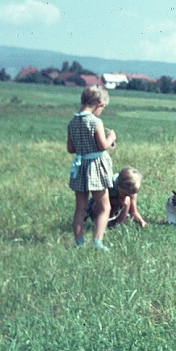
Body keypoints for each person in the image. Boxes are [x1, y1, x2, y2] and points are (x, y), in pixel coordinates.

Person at [67, 84, 116, 251]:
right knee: (104, 206)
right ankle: (97, 241)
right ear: (98, 104)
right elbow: (103, 146)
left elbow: (70, 149)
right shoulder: (96, 122)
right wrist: (111, 137)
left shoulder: (72, 122)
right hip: (96, 167)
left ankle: (79, 242)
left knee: (80, 207)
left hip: (80, 167)